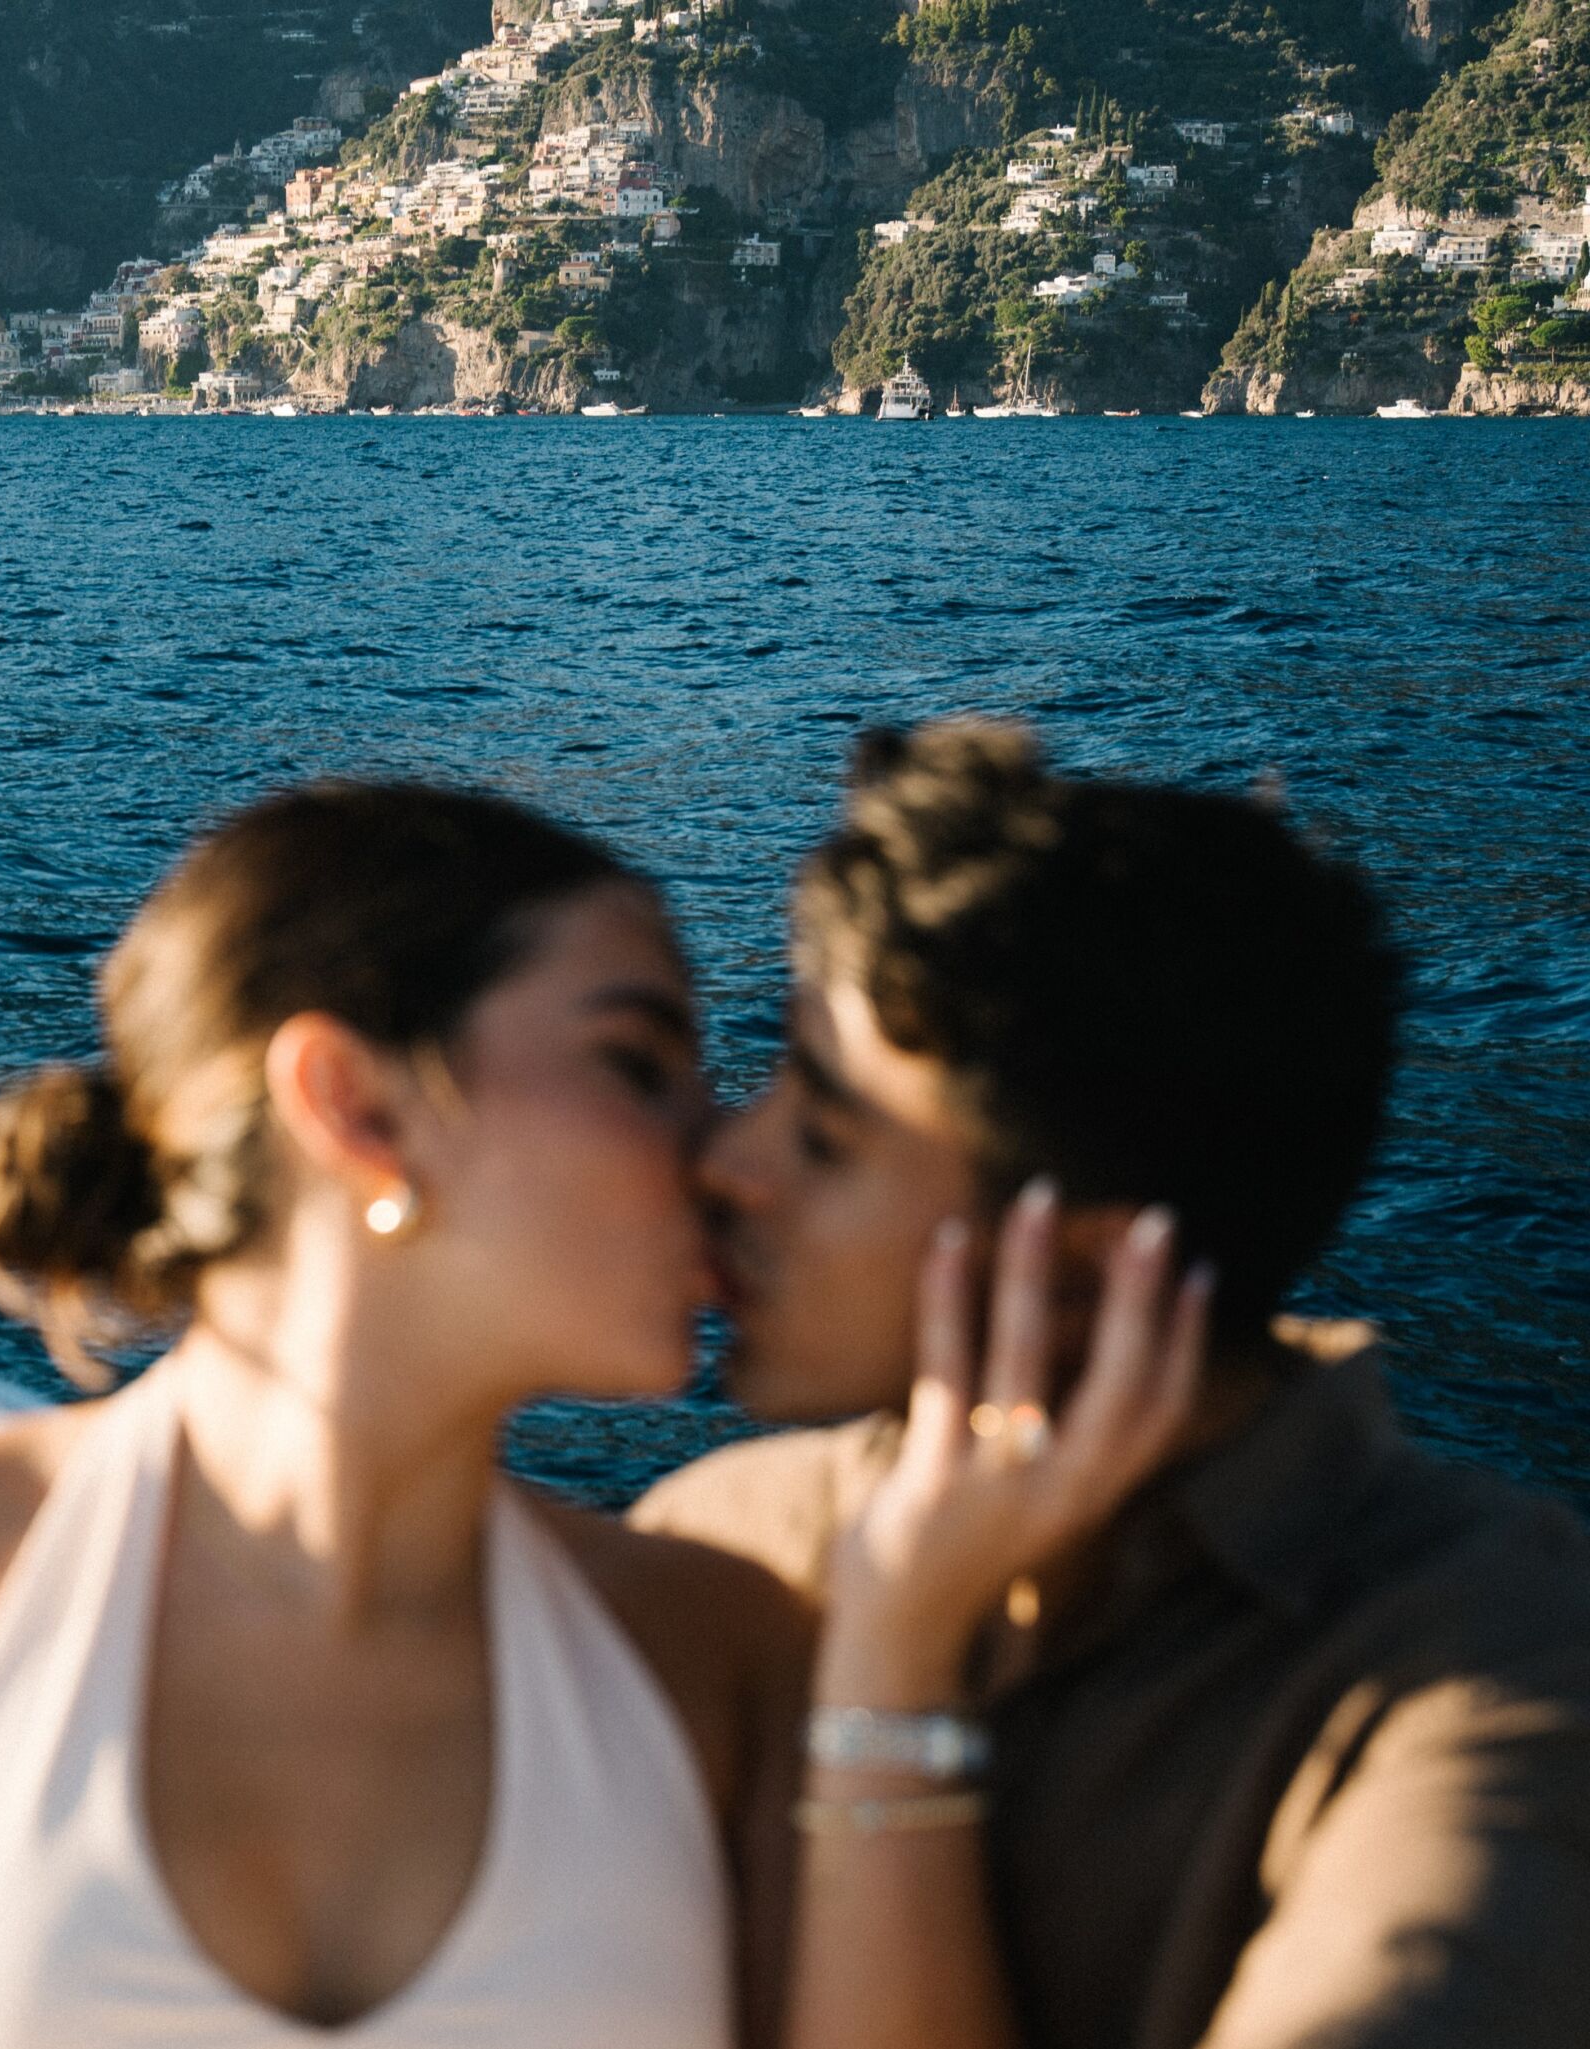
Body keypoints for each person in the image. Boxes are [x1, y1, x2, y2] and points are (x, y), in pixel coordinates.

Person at [0, 776, 1206, 2049]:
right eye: (637, 1063)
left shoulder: (729, 1658)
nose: (720, 1155)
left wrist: (897, 1648)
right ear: (359, 1109)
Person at [640, 720, 1590, 2049]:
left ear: (1080, 1264)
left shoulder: (1482, 1664)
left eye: (820, 1136)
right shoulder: (717, 1540)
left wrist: (891, 1668)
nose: (723, 1165)